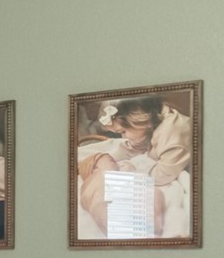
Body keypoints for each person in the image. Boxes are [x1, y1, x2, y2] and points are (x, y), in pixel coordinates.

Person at [77, 94, 192, 238]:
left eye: (123, 132)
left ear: (139, 121)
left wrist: (134, 171)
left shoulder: (174, 133)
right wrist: (107, 158)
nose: (123, 137)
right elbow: (132, 147)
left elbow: (164, 174)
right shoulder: (149, 125)